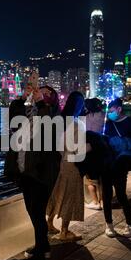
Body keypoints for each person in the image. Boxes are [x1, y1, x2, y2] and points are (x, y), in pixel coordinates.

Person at [4, 85, 61, 260]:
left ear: (52, 99)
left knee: (36, 213)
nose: (39, 94)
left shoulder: (54, 116)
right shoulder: (30, 114)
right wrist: (22, 97)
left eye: (45, 93)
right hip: (27, 171)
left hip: (41, 173)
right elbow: (13, 117)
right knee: (34, 212)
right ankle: (42, 248)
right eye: (37, 91)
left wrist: (40, 102)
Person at [47, 91, 87, 241]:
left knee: (57, 194)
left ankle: (49, 223)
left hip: (60, 162)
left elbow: (56, 145)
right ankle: (64, 231)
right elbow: (79, 149)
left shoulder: (59, 121)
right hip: (73, 164)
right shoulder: (79, 125)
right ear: (79, 106)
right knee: (69, 196)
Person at [102, 98, 131, 238]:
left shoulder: (130, 123)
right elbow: (104, 140)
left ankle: (130, 224)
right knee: (106, 196)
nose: (109, 113)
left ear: (119, 109)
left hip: (121, 165)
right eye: (108, 111)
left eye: (111, 111)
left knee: (121, 195)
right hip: (107, 164)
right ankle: (108, 225)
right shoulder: (109, 123)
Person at [83, 98, 105, 210]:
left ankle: (95, 202)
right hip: (101, 147)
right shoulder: (102, 115)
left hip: (88, 149)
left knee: (89, 178)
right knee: (101, 177)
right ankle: (103, 200)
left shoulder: (85, 118)